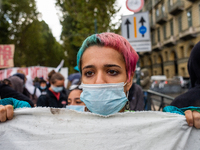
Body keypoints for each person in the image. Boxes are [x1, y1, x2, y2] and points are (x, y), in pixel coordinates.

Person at [1, 32, 200, 128]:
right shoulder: (54, 127)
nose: (99, 81)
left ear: (129, 80)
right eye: (89, 73)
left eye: (112, 71)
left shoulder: (159, 127)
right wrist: (15, 118)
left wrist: (183, 126)